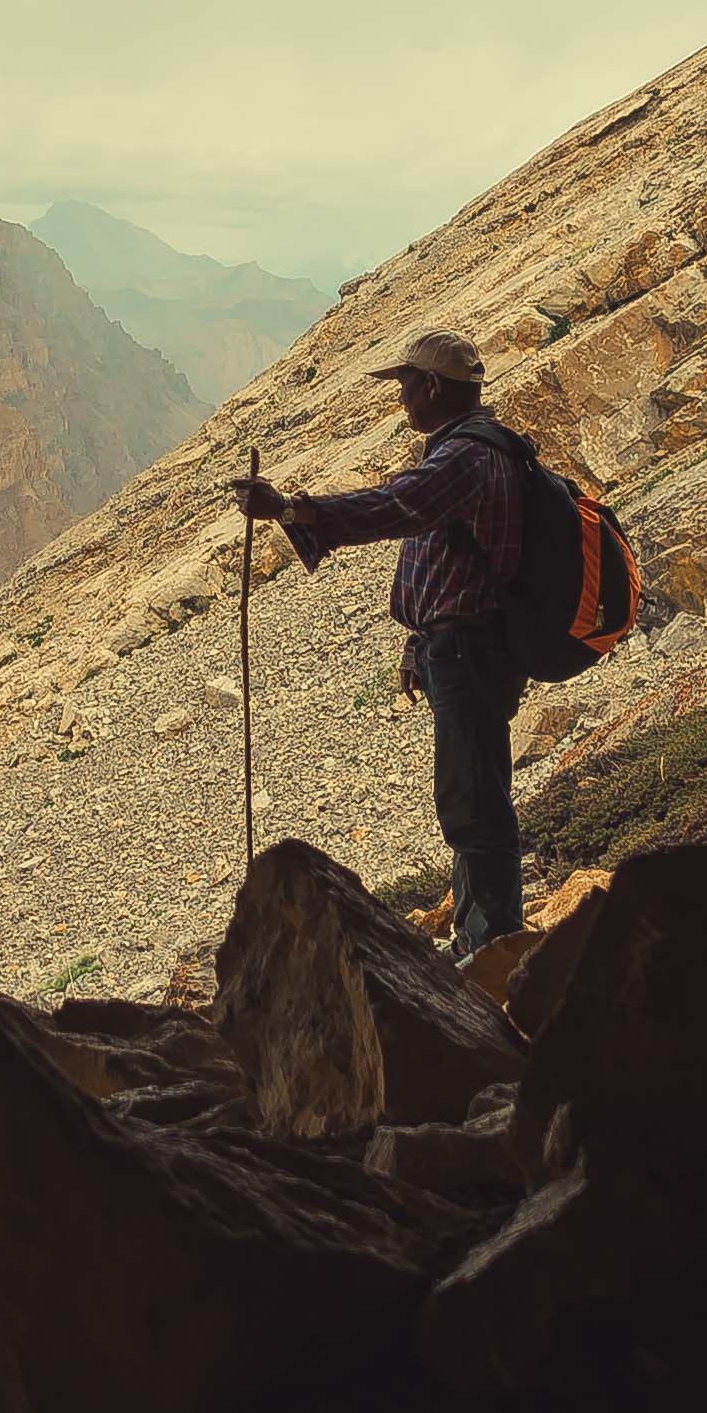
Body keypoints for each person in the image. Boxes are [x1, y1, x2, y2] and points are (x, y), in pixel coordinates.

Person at [234, 329, 535, 956]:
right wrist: (420, 643)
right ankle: (478, 932)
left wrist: (292, 508)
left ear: (431, 386)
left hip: (469, 651)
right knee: (472, 790)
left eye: (405, 385)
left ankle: (494, 943)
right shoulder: (468, 449)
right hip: (460, 646)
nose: (401, 398)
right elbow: (450, 557)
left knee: (471, 798)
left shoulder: (463, 458)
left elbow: (398, 507)